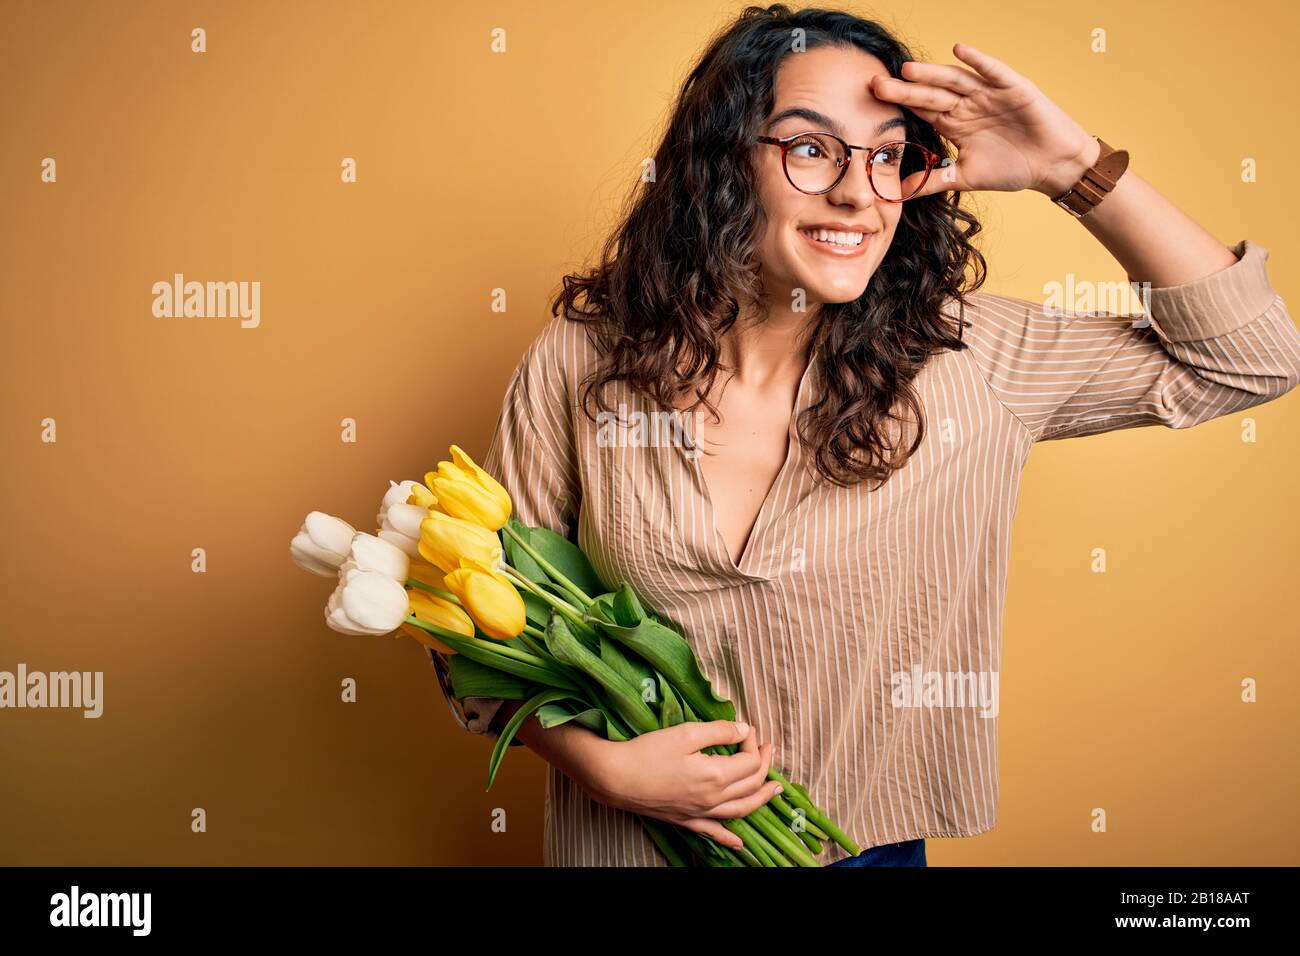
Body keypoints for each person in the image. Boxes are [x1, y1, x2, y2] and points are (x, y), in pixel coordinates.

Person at [429, 4, 1300, 866]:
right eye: (811, 149)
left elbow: (1255, 359)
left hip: (864, 854)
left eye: (887, 156)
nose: (856, 191)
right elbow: (478, 626)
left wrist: (1072, 167)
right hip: (624, 852)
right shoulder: (583, 362)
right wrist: (604, 768)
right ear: (722, 164)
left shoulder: (969, 357)